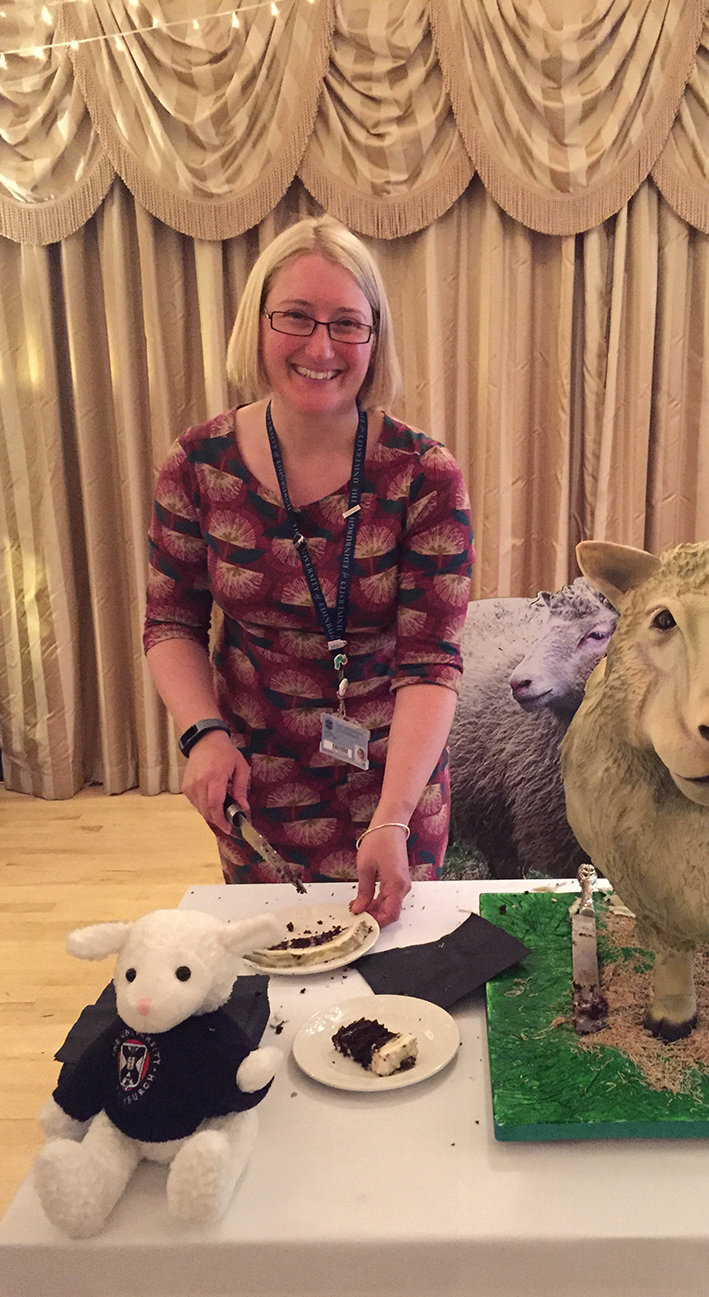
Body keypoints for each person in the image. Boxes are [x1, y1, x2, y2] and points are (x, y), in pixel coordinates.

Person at [143, 216, 474, 925]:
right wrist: (203, 733)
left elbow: (431, 662)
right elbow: (170, 619)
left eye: (347, 323)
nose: (321, 346)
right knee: (279, 982)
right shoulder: (197, 466)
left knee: (397, 991)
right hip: (257, 783)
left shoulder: (425, 475)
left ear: (374, 338)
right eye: (296, 316)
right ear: (257, 324)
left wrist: (392, 817)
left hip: (395, 782)